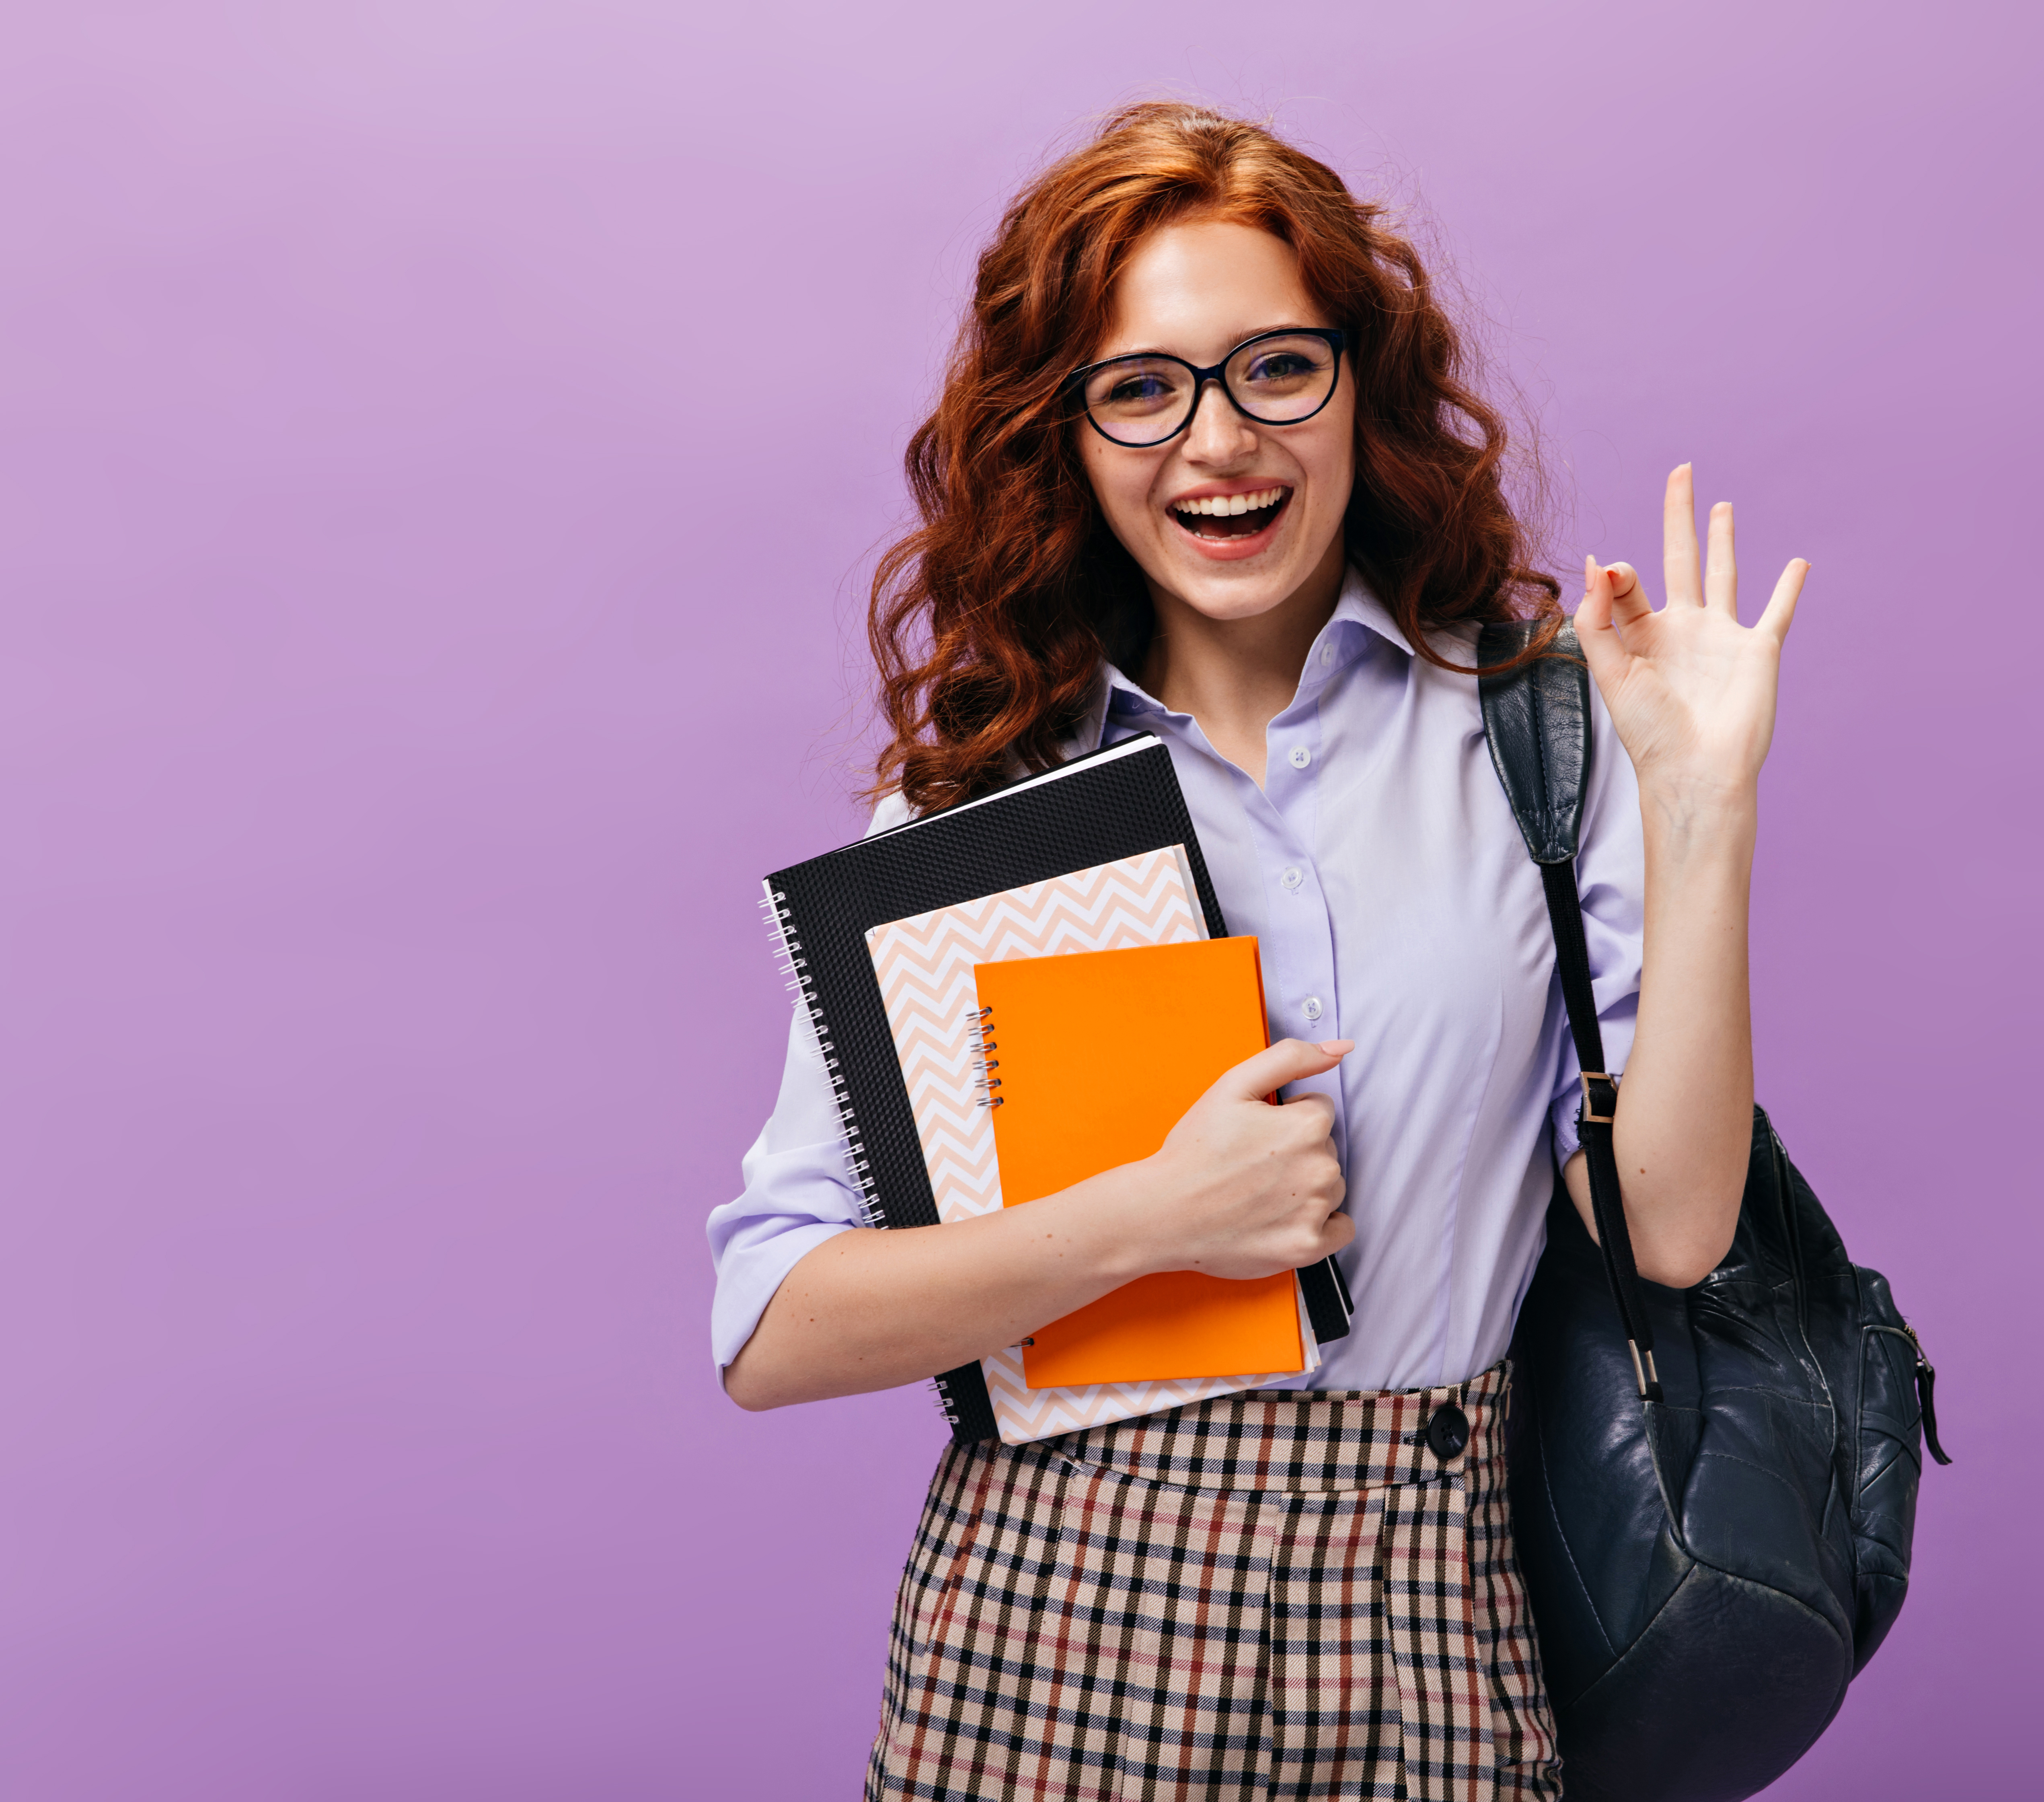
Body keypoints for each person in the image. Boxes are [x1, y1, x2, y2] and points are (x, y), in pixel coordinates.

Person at [707, 101, 1806, 1800]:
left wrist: (1705, 809)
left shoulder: (1533, 737)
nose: (1218, 441)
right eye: (1142, 389)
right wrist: (1151, 1219)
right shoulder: (979, 807)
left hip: (1435, 1609)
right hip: (1060, 1620)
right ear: (1064, 436)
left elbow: (1668, 1227)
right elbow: (772, 1324)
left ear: (1363, 387)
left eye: (1278, 367)